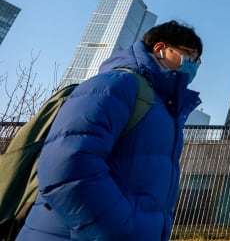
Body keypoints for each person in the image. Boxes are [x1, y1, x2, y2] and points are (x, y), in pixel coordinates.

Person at [17, 20, 203, 240]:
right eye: (188, 54)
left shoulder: (164, 108)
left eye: (197, 61)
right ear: (160, 48)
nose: (193, 64)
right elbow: (67, 164)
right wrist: (119, 231)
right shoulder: (116, 85)